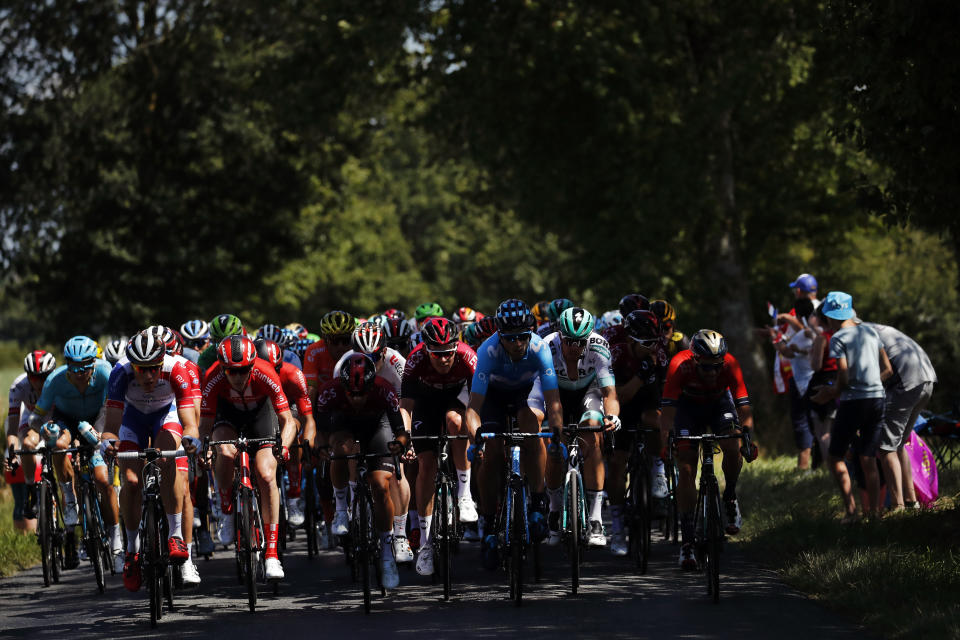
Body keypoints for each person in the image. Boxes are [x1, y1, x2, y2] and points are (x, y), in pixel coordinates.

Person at [463, 298, 563, 570]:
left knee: (532, 426)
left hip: (525, 394)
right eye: (510, 338)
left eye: (523, 337)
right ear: (499, 335)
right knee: (493, 453)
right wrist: (477, 439)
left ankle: (539, 500)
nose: (518, 344)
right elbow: (472, 410)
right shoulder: (488, 351)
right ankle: (487, 518)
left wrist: (556, 435)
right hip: (493, 398)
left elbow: (553, 403)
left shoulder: (540, 349)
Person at [102, 330, 200, 589]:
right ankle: (132, 551)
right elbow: (111, 425)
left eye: (153, 369)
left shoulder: (176, 370)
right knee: (132, 482)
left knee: (166, 460)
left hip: (165, 416)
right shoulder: (120, 373)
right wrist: (108, 443)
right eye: (141, 369)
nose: (147, 376)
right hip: (132, 419)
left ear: (162, 363)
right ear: (132, 365)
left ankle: (176, 535)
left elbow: (190, 423)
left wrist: (191, 439)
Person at [200, 334, 298, 581]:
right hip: (228, 416)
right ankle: (226, 508)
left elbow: (288, 421)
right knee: (223, 450)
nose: (239, 377)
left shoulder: (265, 373)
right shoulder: (213, 378)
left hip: (261, 417)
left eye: (244, 371)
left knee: (266, 474)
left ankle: (272, 553)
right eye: (232, 372)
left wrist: (284, 447)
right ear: (222, 368)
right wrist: (206, 449)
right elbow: (205, 427)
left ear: (253, 365)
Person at [660, 329, 755, 569]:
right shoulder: (679, 364)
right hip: (687, 410)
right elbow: (668, 412)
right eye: (706, 367)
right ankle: (688, 542)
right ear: (694, 359)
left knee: (733, 444)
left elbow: (743, 405)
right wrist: (665, 442)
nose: (713, 372)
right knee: (687, 466)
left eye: (717, 366)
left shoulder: (730, 364)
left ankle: (730, 497)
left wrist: (749, 439)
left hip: (719, 405)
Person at [314, 353, 410, 589]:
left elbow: (401, 431)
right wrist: (322, 447)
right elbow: (320, 432)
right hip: (343, 424)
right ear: (343, 386)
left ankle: (387, 555)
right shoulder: (330, 392)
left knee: (380, 485)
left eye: (362, 393)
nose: (357, 399)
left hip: (378, 426)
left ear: (372, 385)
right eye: (352, 393)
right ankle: (341, 510)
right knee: (341, 449)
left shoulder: (384, 390)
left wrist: (400, 444)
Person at [25, 336, 116, 570]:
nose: (79, 371)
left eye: (85, 365)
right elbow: (37, 416)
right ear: (67, 364)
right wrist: (43, 429)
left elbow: (114, 408)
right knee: (58, 444)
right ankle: (69, 499)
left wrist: (99, 435)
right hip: (66, 420)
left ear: (94, 362)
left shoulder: (106, 372)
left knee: (102, 480)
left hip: (98, 418)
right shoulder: (55, 380)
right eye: (74, 365)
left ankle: (115, 538)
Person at [399, 317, 478, 576]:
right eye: (437, 354)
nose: (443, 360)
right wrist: (405, 437)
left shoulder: (468, 357)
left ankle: (464, 495)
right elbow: (406, 408)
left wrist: (479, 433)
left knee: (455, 421)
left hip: (457, 399)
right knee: (426, 464)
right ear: (425, 350)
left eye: (448, 354)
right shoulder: (415, 361)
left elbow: (479, 401)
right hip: (425, 404)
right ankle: (425, 544)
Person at [540, 307, 620, 549]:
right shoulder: (547, 347)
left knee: (593, 433)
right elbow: (548, 398)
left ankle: (595, 519)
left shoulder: (599, 346)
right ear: (560, 336)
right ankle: (554, 510)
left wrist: (613, 416)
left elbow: (609, 393)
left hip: (588, 392)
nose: (575, 347)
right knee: (554, 446)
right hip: (557, 393)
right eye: (569, 341)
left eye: (580, 342)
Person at [810, 292, 892, 521]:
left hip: (853, 403)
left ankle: (851, 512)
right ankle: (875, 515)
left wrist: (830, 393)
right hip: (877, 400)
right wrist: (872, 385)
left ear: (829, 317)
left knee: (835, 455)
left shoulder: (838, 338)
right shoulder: (870, 331)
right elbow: (887, 369)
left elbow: (843, 376)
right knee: (868, 457)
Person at [607, 309, 669, 556]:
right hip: (621, 404)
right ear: (631, 340)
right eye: (647, 344)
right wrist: (642, 374)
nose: (654, 348)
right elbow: (618, 396)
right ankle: (618, 527)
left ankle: (658, 469)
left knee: (655, 419)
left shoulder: (660, 355)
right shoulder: (617, 354)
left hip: (649, 402)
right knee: (617, 463)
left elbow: (666, 398)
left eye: (656, 342)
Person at [863, 322, 937, 511]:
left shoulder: (857, 336)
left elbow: (878, 373)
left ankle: (898, 506)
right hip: (926, 378)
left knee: (886, 447)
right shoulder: (874, 327)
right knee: (899, 444)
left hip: (907, 382)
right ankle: (911, 502)